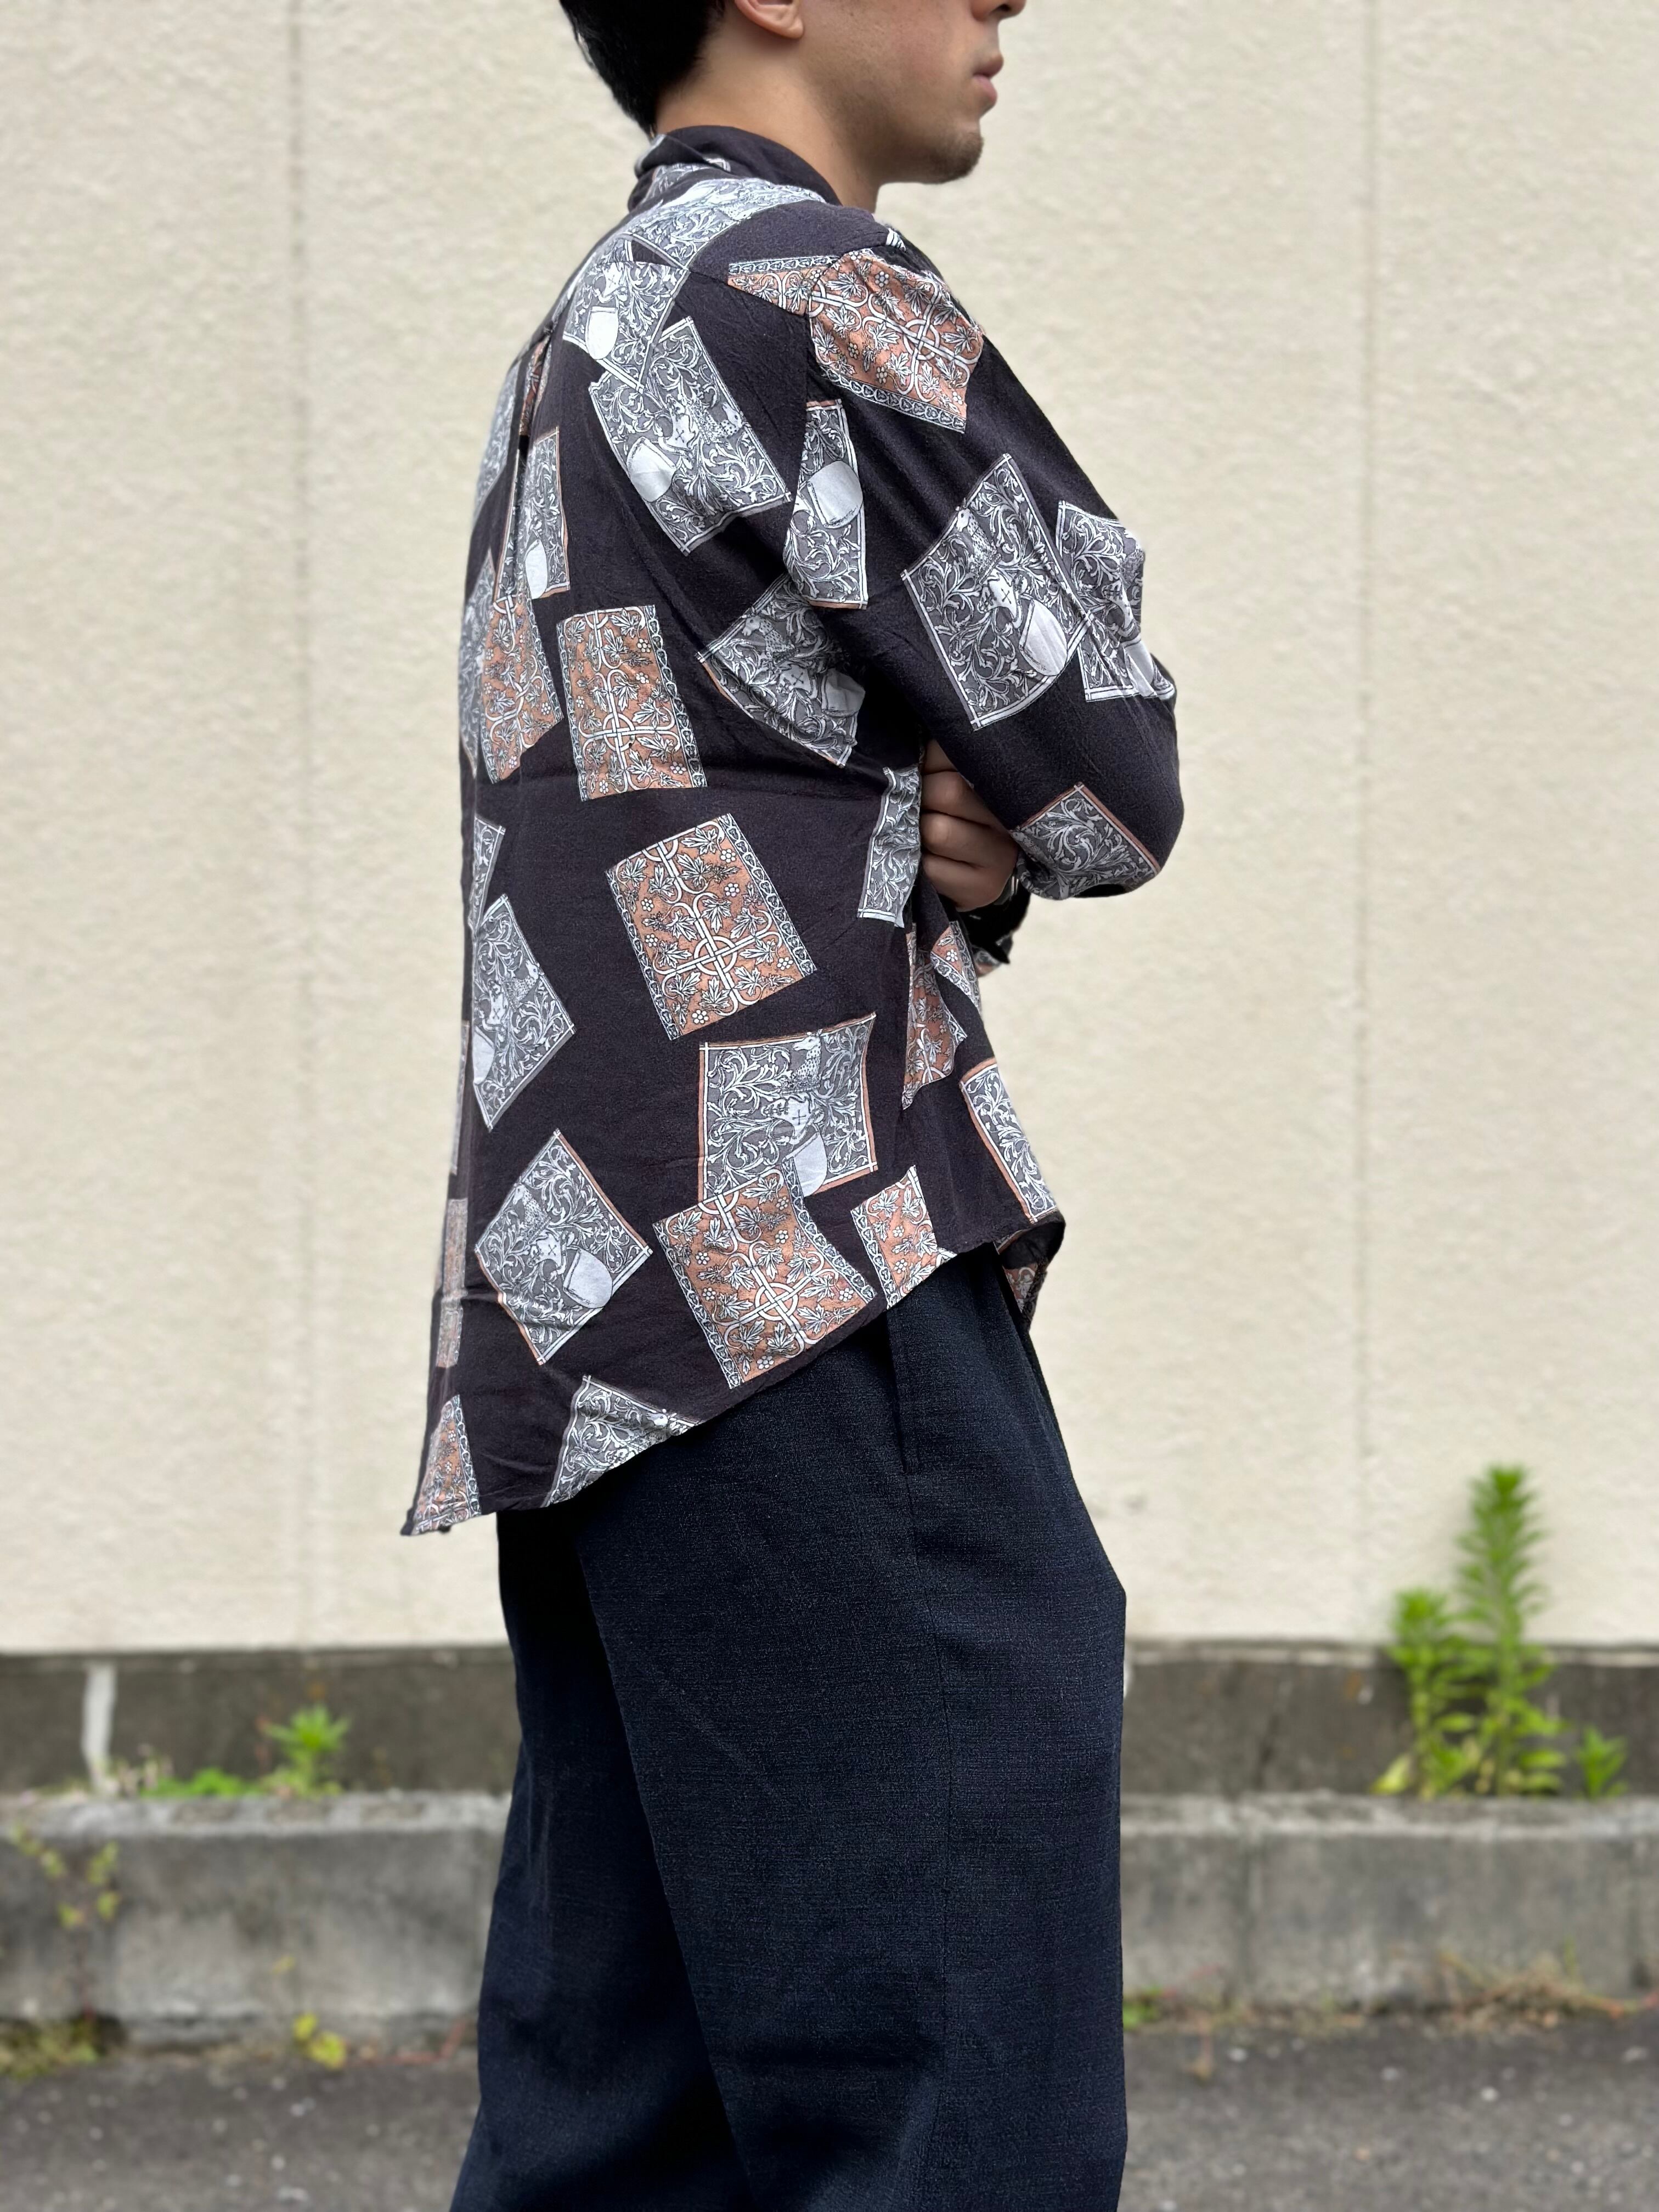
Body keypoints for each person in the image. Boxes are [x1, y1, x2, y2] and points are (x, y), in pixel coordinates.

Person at [419, 3, 1183, 2204]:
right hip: (807, 1272)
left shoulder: (586, 334)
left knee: (621, 2116)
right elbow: (1110, 760)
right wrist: (978, 807)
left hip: (598, 1316)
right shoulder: (820, 290)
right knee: (953, 2093)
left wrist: (925, 809)